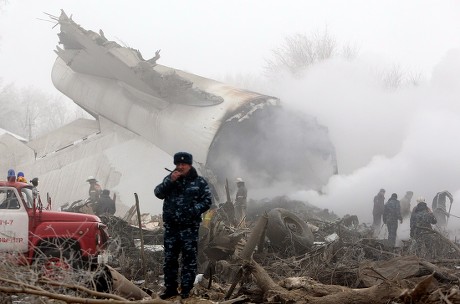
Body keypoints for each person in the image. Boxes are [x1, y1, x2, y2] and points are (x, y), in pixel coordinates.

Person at [154, 152, 212, 300]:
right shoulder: (171, 179)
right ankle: (171, 289)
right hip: (172, 227)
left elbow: (207, 201)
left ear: (189, 165)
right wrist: (170, 181)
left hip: (189, 228)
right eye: (178, 164)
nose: (180, 167)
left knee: (189, 259)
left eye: (183, 164)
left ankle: (186, 289)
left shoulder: (199, 182)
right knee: (170, 259)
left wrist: (193, 210)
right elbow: (158, 193)